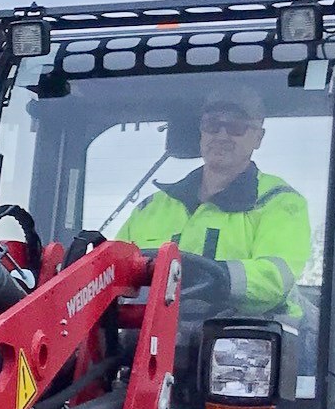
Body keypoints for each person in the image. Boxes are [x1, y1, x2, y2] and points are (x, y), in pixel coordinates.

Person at [117, 85, 312, 322]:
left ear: (258, 138)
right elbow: (111, 270)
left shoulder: (279, 202)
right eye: (212, 124)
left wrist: (212, 278)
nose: (221, 135)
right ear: (201, 132)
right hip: (154, 331)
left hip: (248, 337)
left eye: (235, 126)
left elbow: (275, 281)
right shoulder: (150, 208)